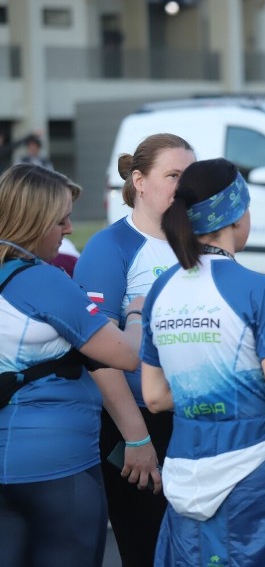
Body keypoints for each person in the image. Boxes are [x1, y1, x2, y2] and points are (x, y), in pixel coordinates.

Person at [139, 158, 265, 564]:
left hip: (185, 465)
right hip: (259, 470)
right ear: (236, 215)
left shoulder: (160, 289)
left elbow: (155, 397)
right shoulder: (259, 289)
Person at [0, 164, 141, 565]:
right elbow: (125, 354)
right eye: (60, 220)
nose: (67, 229)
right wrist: (136, 313)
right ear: (32, 222)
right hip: (56, 468)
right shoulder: (45, 281)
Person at [73, 133, 196, 566]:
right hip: (138, 422)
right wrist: (137, 438)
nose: (184, 186)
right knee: (146, 551)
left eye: (189, 176)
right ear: (140, 182)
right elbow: (96, 354)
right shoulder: (111, 247)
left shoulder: (198, 241)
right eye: (173, 175)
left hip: (197, 421)